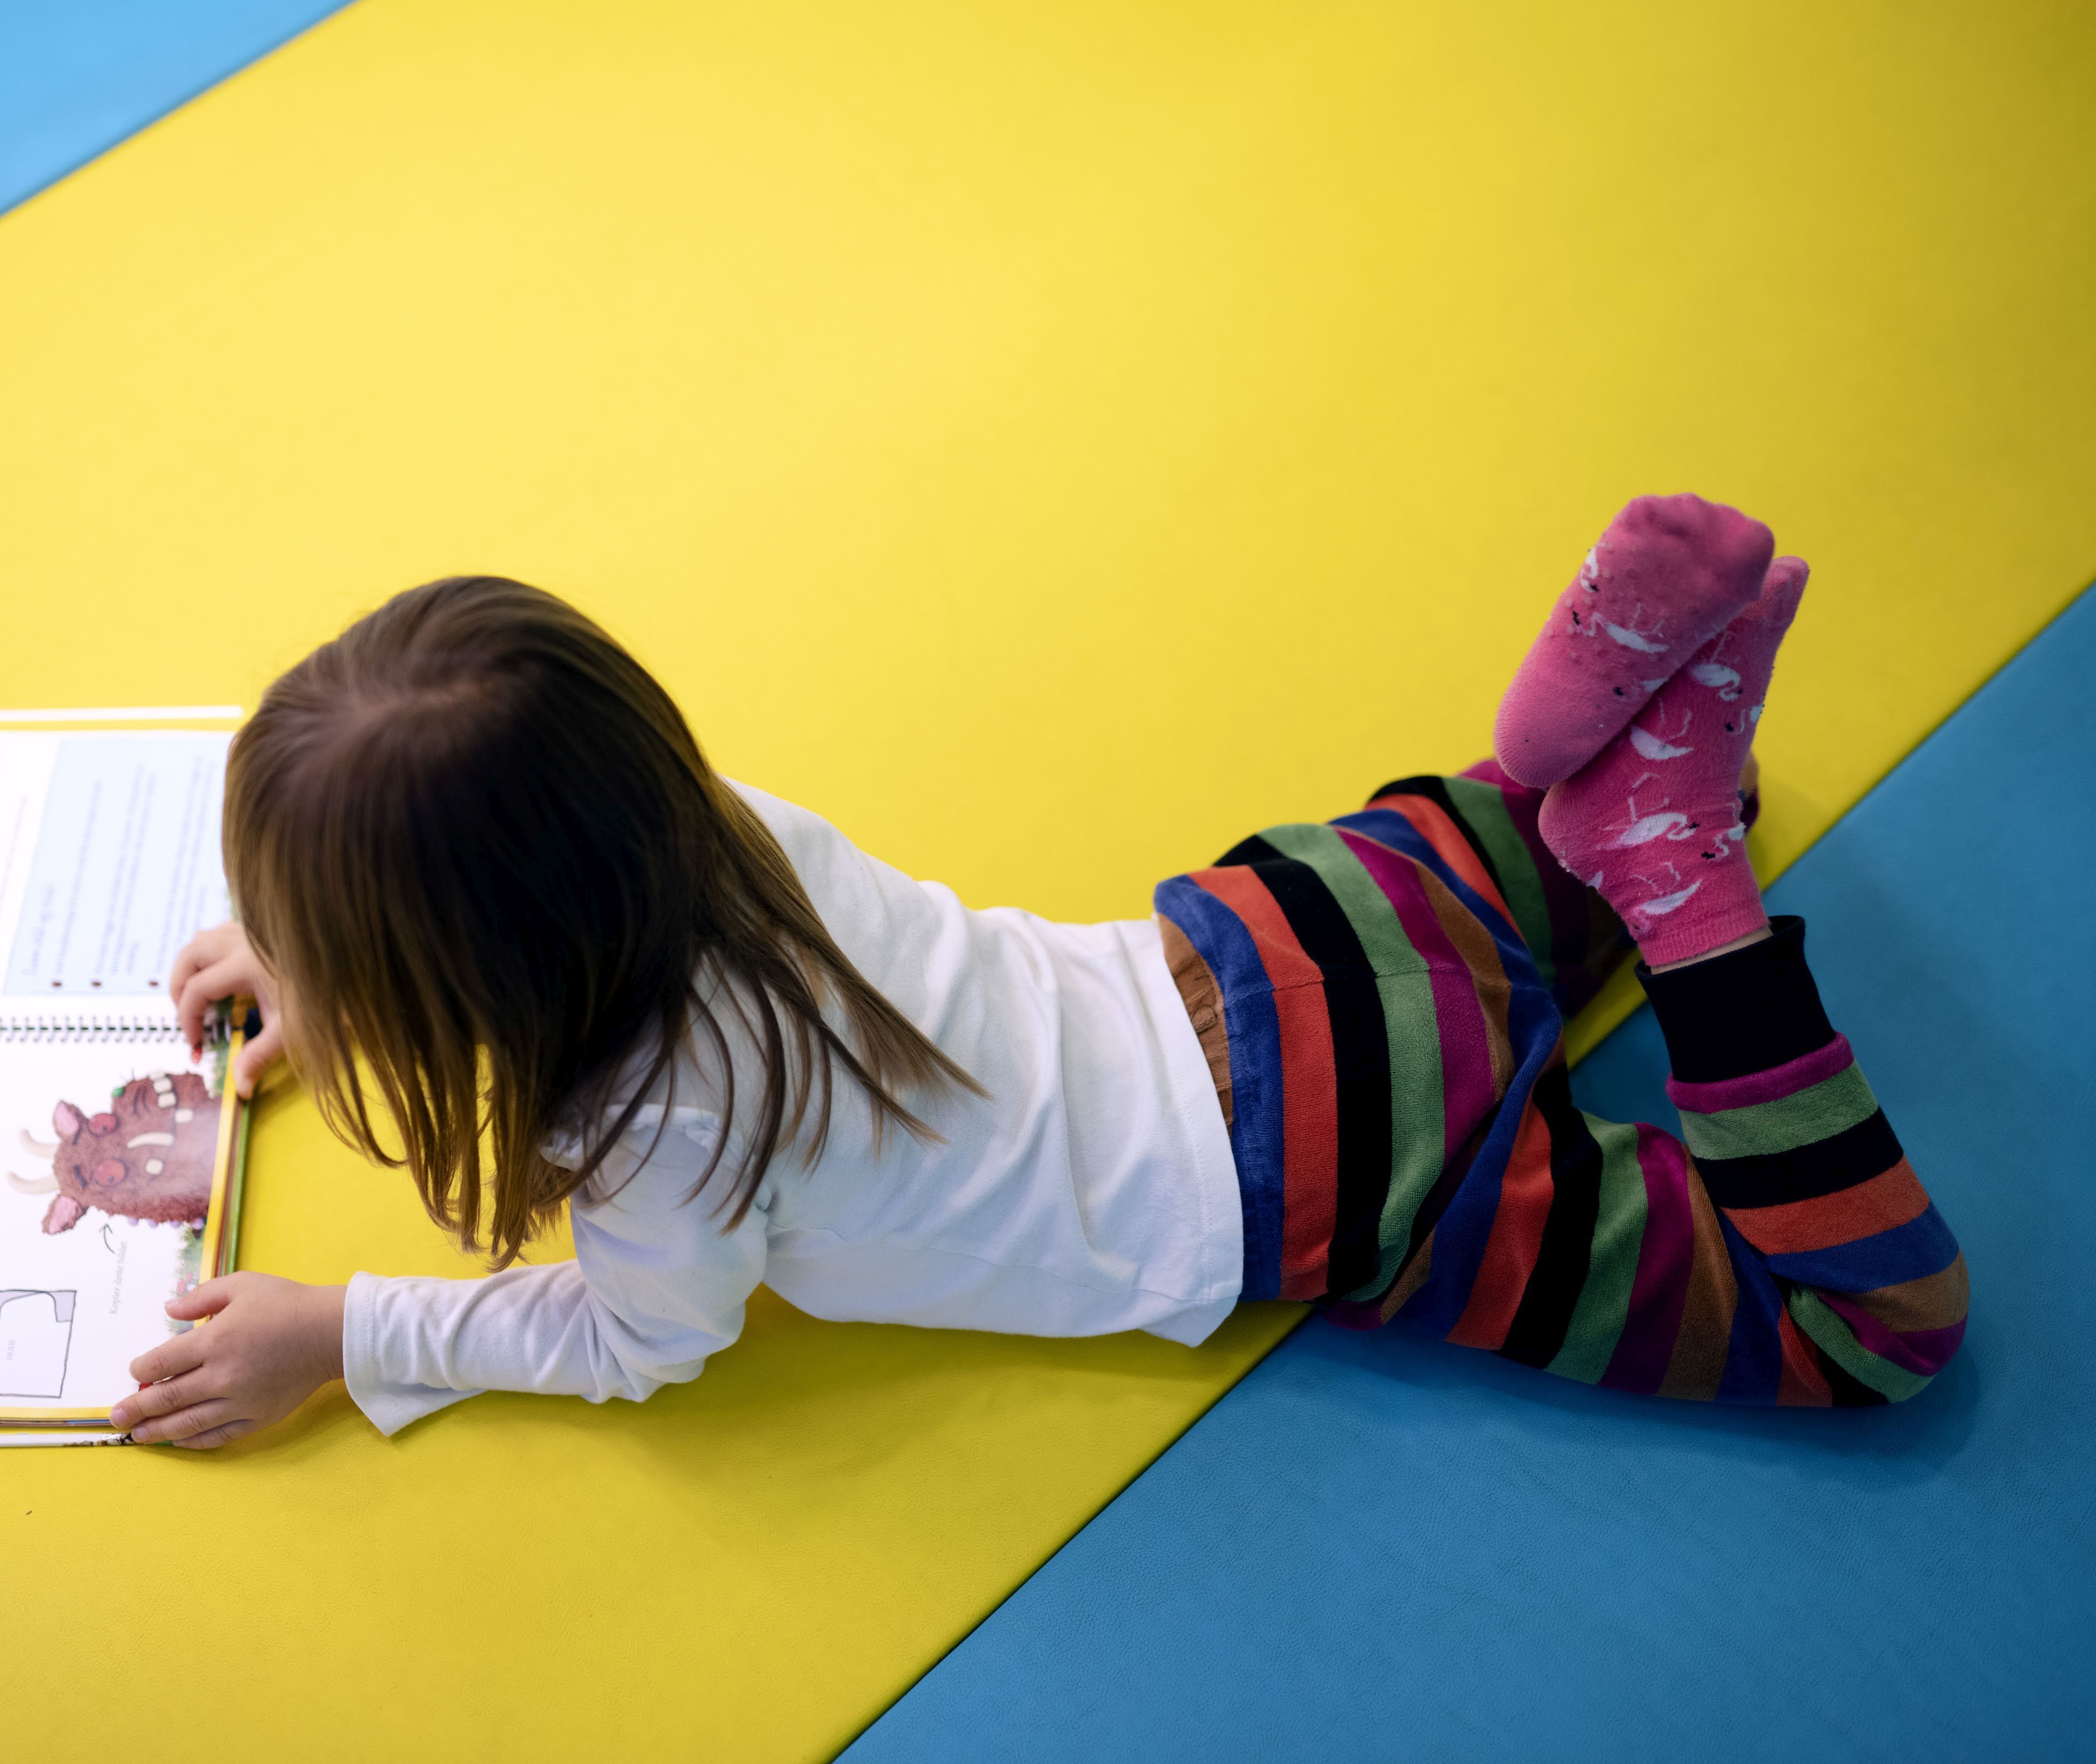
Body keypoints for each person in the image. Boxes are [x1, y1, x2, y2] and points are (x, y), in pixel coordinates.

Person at [109, 497, 1966, 1450]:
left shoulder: (657, 1125)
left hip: (1334, 1162)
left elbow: (636, 1343)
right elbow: (513, 864)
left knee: (1869, 1336)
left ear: (455, 977)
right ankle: (1560, 772)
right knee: (1493, 883)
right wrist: (333, 942)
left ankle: (1684, 892)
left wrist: (345, 1335)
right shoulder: (706, 831)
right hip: (1270, 934)